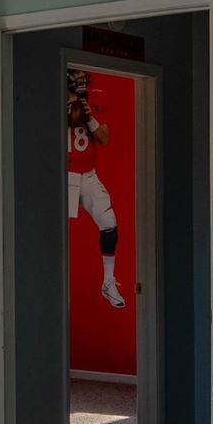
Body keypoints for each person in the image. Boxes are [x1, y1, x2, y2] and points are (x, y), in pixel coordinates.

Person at [64, 67, 126, 308]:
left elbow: (105, 137)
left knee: (109, 223)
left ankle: (108, 282)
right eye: (73, 75)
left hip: (88, 175)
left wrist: (89, 117)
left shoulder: (95, 97)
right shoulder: (49, 98)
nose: (79, 79)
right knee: (61, 233)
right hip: (63, 173)